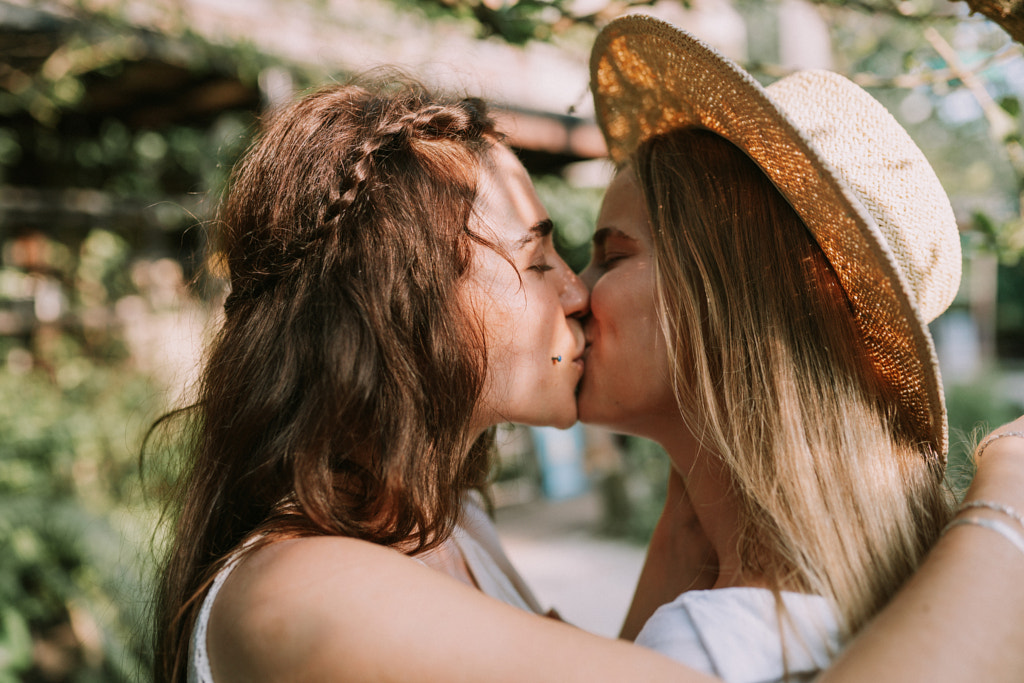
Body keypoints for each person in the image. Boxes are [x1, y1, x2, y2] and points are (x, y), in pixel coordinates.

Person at [150, 67, 1024, 683]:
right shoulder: (299, 592)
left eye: (604, 254)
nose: (576, 291)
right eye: (538, 257)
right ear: (400, 293)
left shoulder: (456, 531)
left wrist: (717, 479)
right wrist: (1007, 499)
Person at [582, 14, 1024, 680]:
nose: (572, 290)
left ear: (730, 301)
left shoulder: (706, 645)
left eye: (611, 257)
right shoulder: (926, 585)